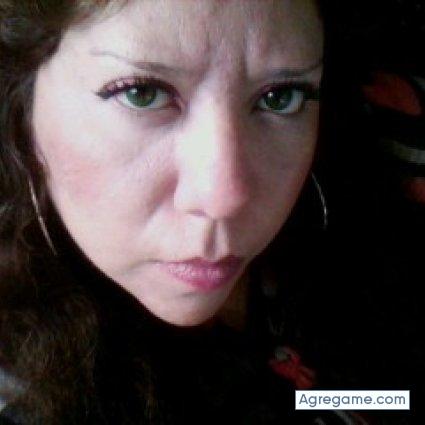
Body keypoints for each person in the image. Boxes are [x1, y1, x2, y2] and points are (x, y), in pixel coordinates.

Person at [0, 0, 396, 423]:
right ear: (23, 102)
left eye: (281, 97)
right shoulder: (24, 397)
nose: (223, 199)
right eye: (142, 93)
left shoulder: (362, 226)